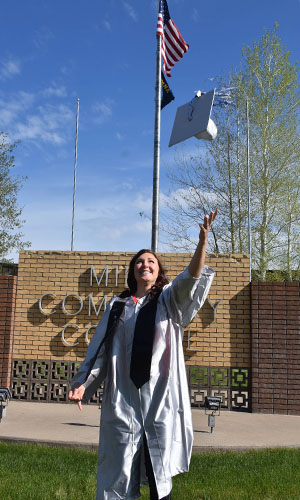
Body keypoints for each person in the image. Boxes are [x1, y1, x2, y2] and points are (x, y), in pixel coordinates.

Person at [69, 210, 217, 500]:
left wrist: (202, 244)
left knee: (158, 475)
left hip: (158, 397)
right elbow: (99, 349)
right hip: (123, 397)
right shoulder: (118, 306)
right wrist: (83, 384)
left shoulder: (168, 301)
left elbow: (189, 279)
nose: (144, 264)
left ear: (158, 271)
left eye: (151, 261)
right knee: (118, 472)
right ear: (132, 270)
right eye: (139, 261)